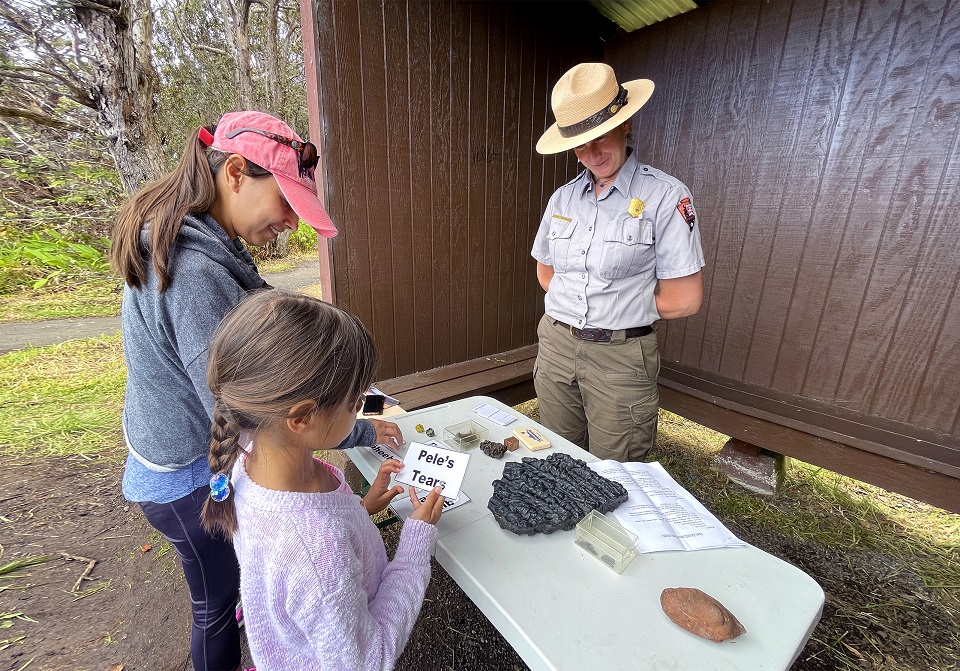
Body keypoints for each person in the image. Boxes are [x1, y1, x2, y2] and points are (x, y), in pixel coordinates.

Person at [110, 110, 404, 671]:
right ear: (238, 173)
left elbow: (279, 349)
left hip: (191, 451)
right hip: (183, 474)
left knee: (245, 581)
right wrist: (358, 425)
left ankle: (269, 637)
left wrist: (357, 393)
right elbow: (250, 409)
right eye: (288, 205)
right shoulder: (195, 274)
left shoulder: (210, 239)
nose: (292, 224)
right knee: (215, 604)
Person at [201, 290, 445, 670]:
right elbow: (369, 658)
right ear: (301, 418)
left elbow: (313, 544)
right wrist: (414, 545)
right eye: (355, 402)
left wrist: (358, 511)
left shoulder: (248, 461)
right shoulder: (316, 550)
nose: (361, 408)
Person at [531, 62, 705, 463]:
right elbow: (547, 273)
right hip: (557, 344)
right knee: (556, 458)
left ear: (625, 124)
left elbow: (684, 299)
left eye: (600, 136)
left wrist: (615, 309)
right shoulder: (563, 198)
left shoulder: (665, 196)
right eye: (579, 144)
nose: (591, 154)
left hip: (620, 356)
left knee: (619, 470)